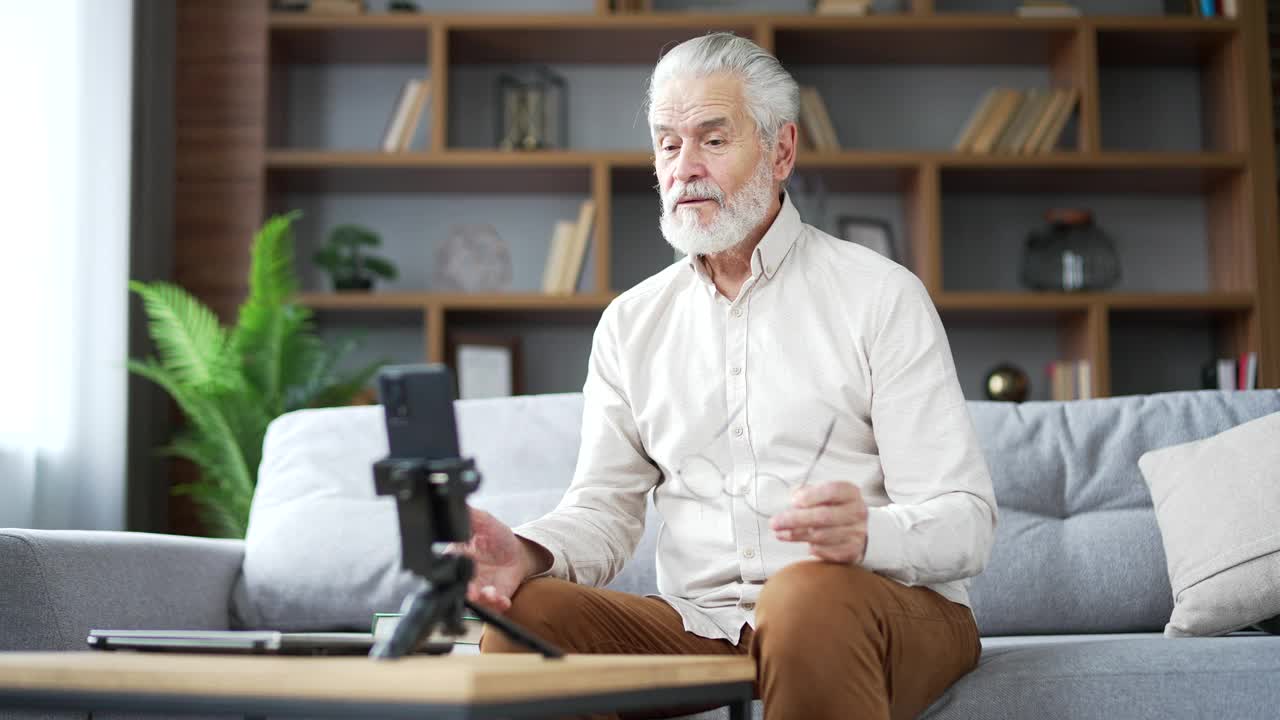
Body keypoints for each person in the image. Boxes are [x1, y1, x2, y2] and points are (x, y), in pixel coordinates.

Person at [454, 32, 998, 720]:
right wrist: (525, 552)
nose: (684, 168)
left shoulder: (880, 296)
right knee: (526, 619)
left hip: (883, 607)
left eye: (713, 140)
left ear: (781, 151)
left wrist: (870, 535)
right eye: (667, 144)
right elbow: (605, 512)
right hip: (704, 623)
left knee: (804, 595)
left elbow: (967, 523)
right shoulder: (630, 324)